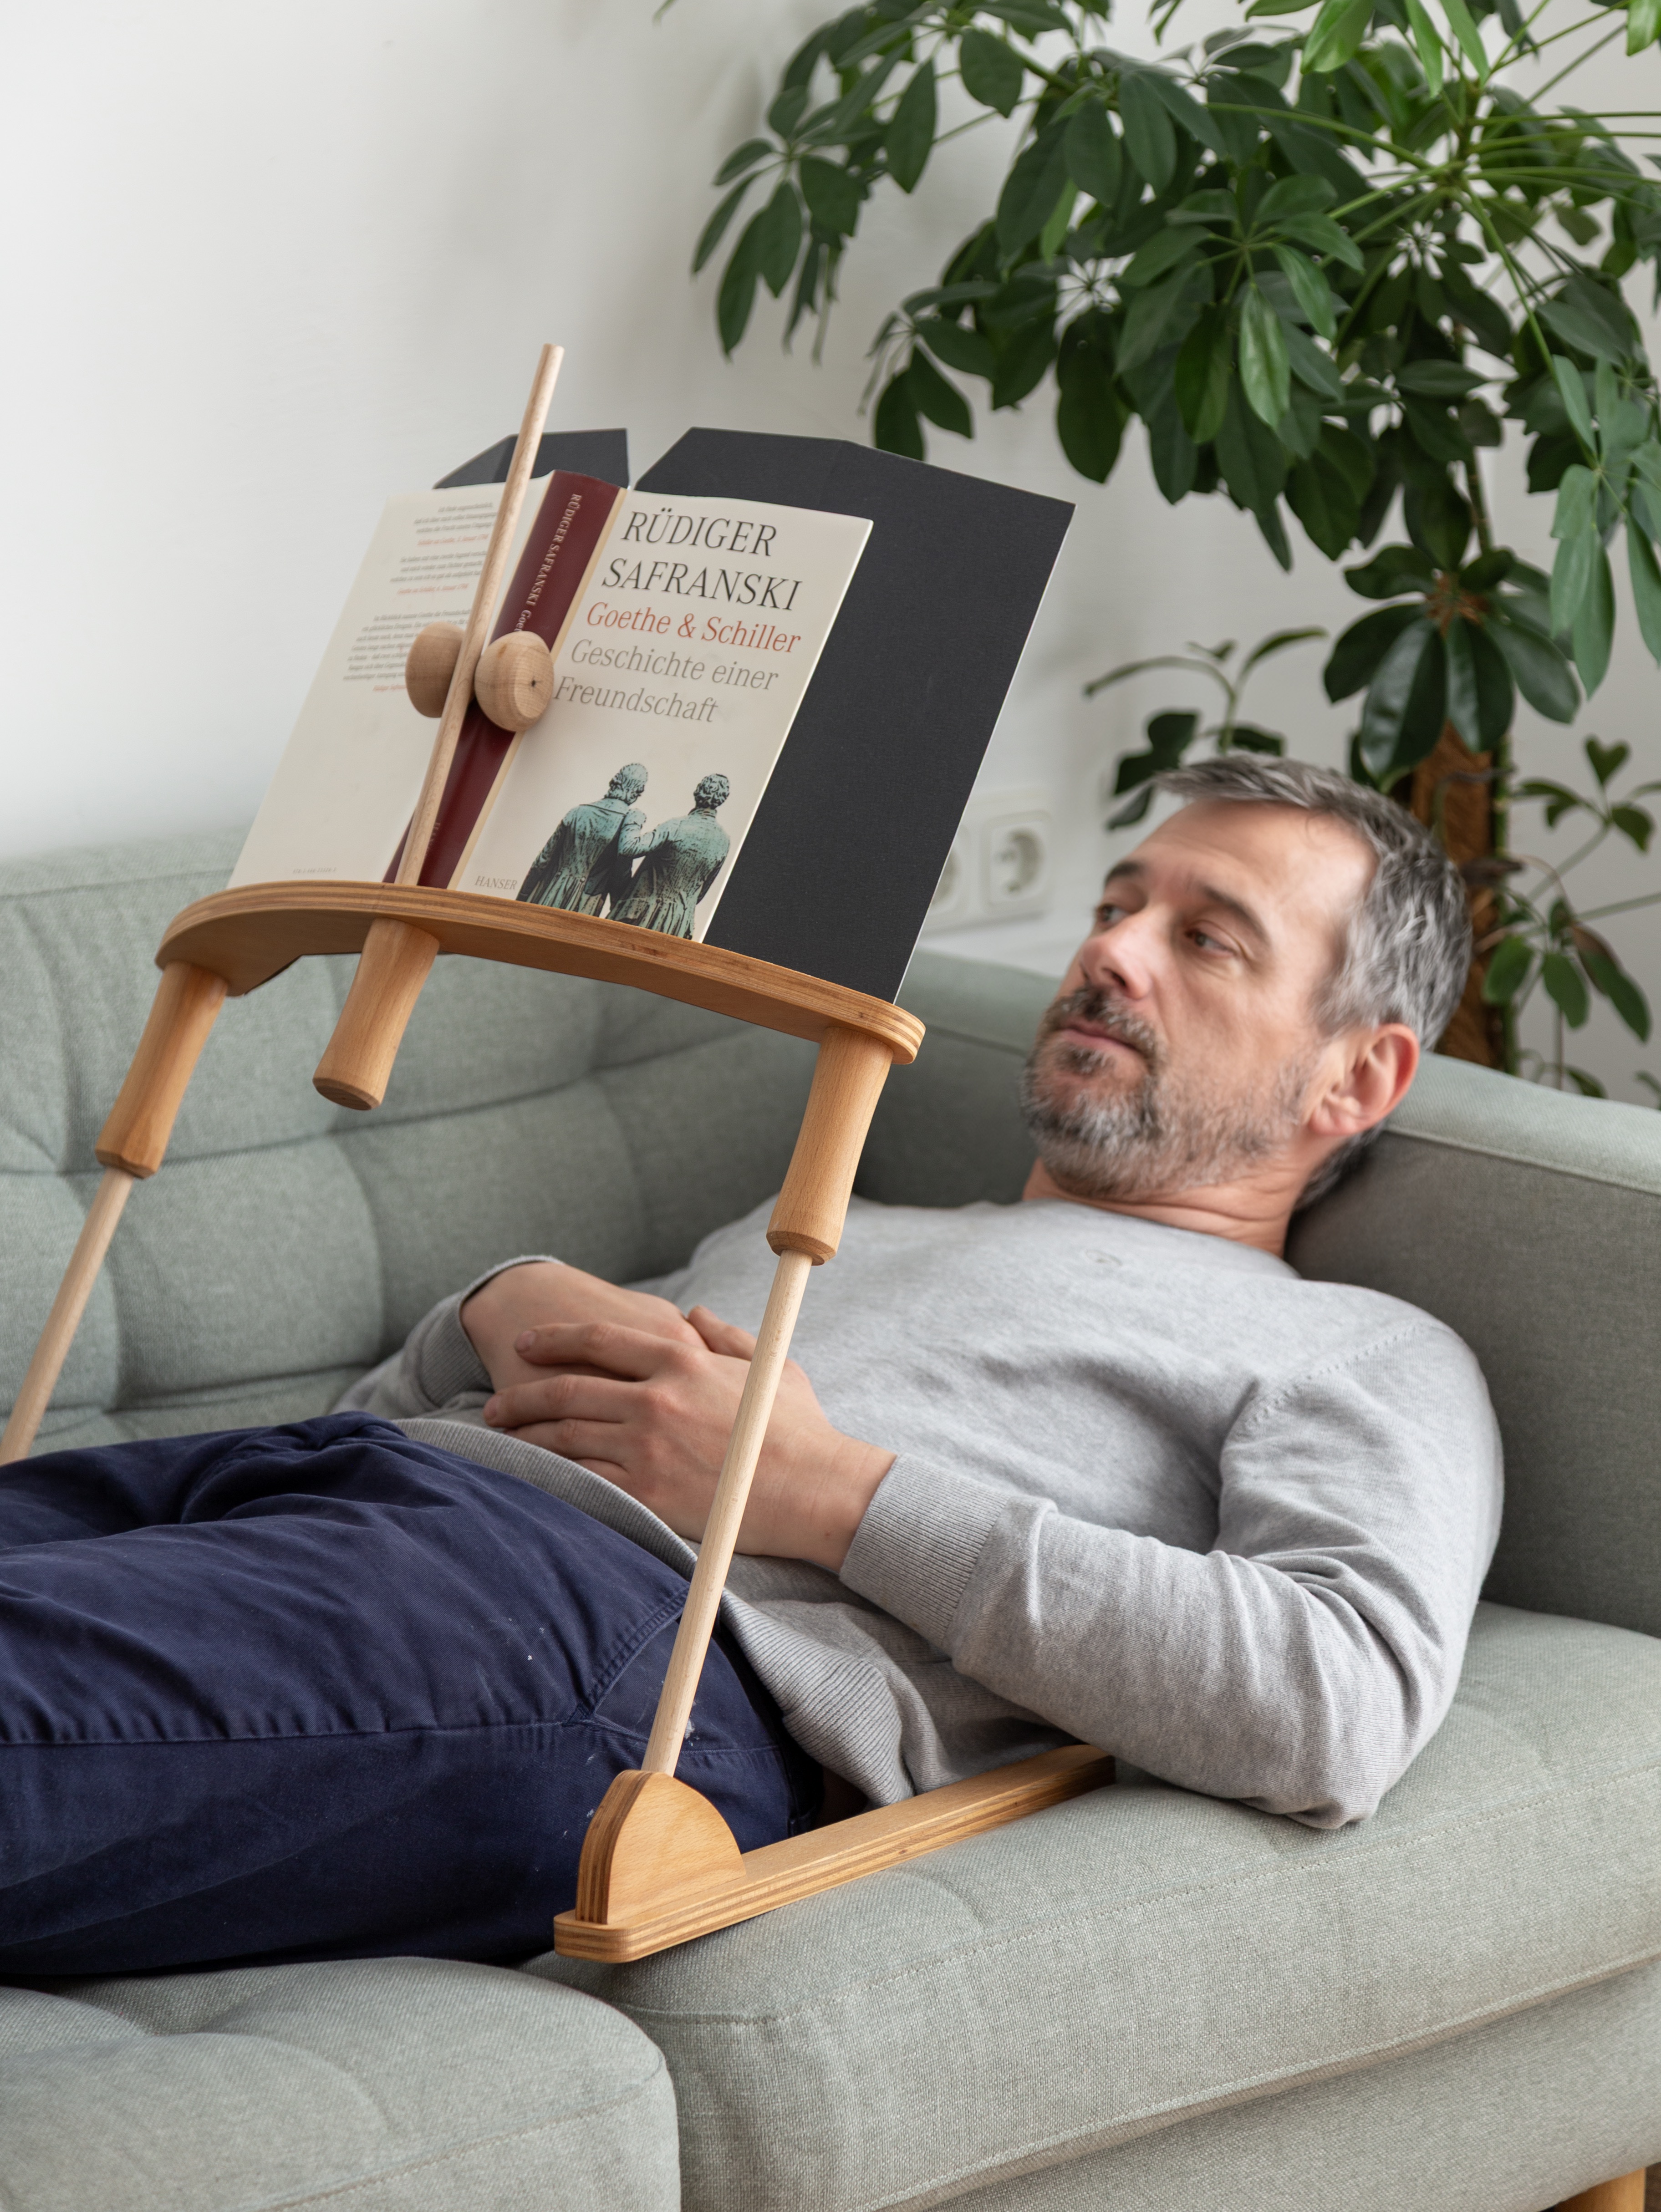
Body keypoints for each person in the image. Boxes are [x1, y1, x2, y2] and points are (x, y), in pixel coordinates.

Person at [0, 758, 1501, 1981]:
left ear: (1353, 1076)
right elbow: (394, 1433)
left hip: (624, 1650)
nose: (1105, 949)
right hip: (340, 1495)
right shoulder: (842, 1219)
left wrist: (829, 1496)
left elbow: (1333, 1704)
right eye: (1116, 905)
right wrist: (488, 1313)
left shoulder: (1353, 1350)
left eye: (1201, 936)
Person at [609, 772, 731, 936]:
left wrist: (634, 820)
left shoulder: (676, 826)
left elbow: (629, 849)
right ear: (722, 799)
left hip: (641, 917)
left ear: (698, 792)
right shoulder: (724, 841)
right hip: (679, 925)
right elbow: (700, 893)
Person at [517, 763, 647, 912]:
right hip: (586, 903)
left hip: (548, 893)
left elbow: (542, 862)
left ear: (614, 782)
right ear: (636, 793)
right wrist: (616, 908)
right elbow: (620, 876)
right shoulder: (627, 825)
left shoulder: (577, 812)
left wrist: (523, 897)